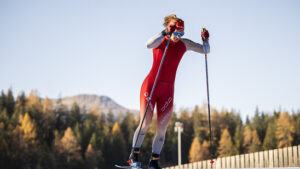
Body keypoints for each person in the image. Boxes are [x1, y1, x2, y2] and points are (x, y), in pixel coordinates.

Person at [128, 14, 210, 169]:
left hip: (168, 90)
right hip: (151, 85)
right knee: (145, 122)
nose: (178, 37)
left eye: (181, 33)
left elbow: (206, 50)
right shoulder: (160, 40)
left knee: (162, 127)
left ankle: (154, 161)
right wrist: (165, 32)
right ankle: (134, 156)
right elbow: (147, 44)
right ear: (170, 29)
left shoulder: (184, 44)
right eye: (176, 33)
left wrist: (205, 39)